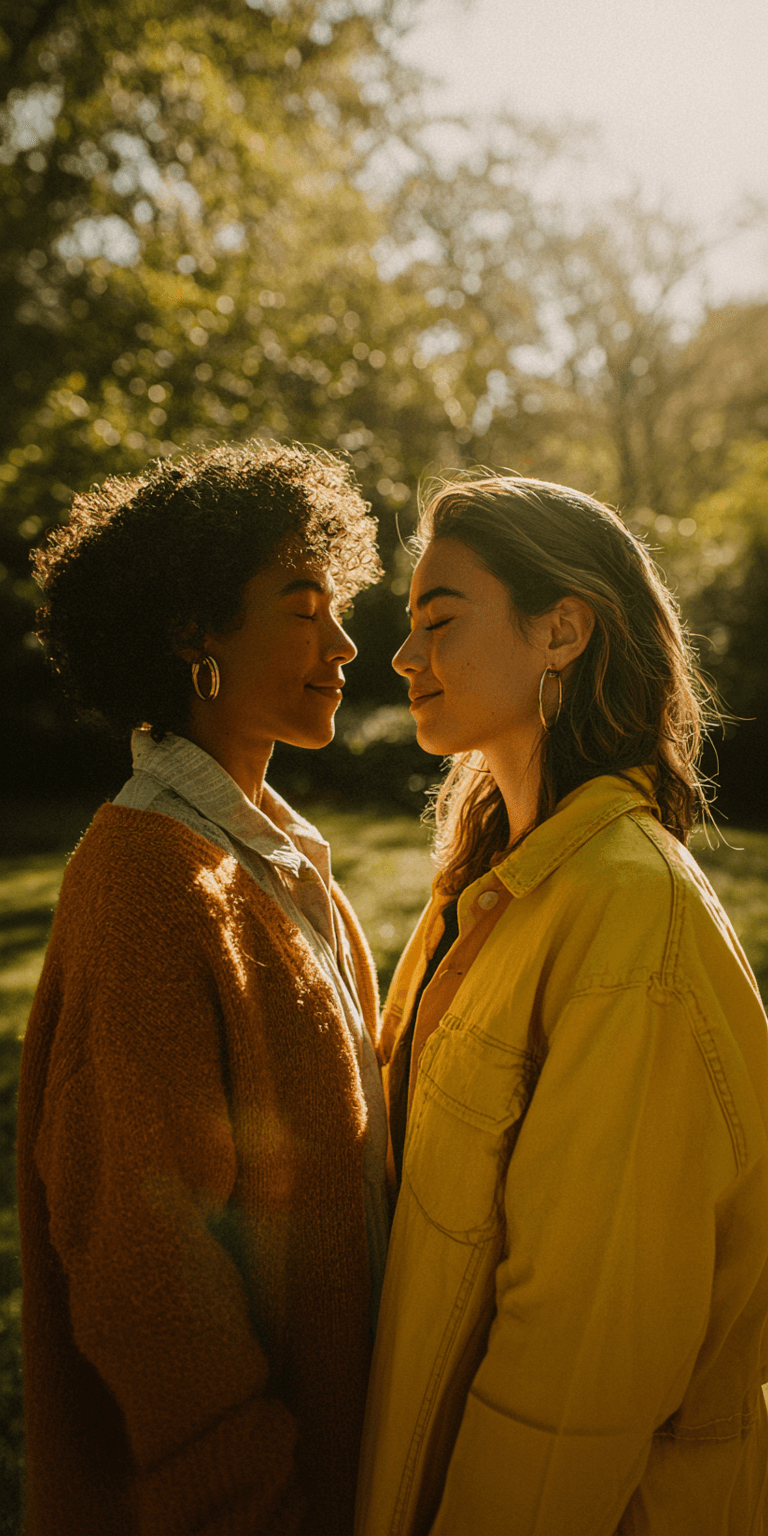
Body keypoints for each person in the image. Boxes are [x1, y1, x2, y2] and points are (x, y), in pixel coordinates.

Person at [355, 473, 768, 1536]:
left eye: (438, 621)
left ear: (562, 630)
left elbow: (578, 1370)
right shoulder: (496, 885)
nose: (403, 658)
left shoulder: (633, 922)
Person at [18, 440, 389, 1536]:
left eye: (339, 602)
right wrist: (255, 1504)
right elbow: (145, 1272)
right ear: (194, 632)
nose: (344, 641)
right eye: (302, 604)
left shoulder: (275, 854)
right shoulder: (146, 877)